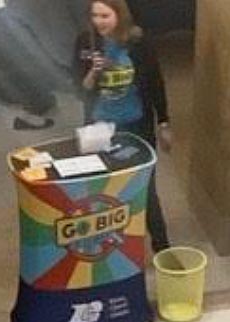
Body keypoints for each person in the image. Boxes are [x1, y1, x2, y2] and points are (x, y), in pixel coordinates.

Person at [75, 0, 170, 251]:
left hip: (136, 126)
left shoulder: (138, 43)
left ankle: (162, 246)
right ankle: (110, 247)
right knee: (102, 187)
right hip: (100, 129)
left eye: (105, 15)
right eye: (95, 15)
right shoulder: (86, 43)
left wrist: (163, 121)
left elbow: (155, 82)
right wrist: (94, 72)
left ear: (119, 15)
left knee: (145, 186)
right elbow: (80, 90)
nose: (99, 21)